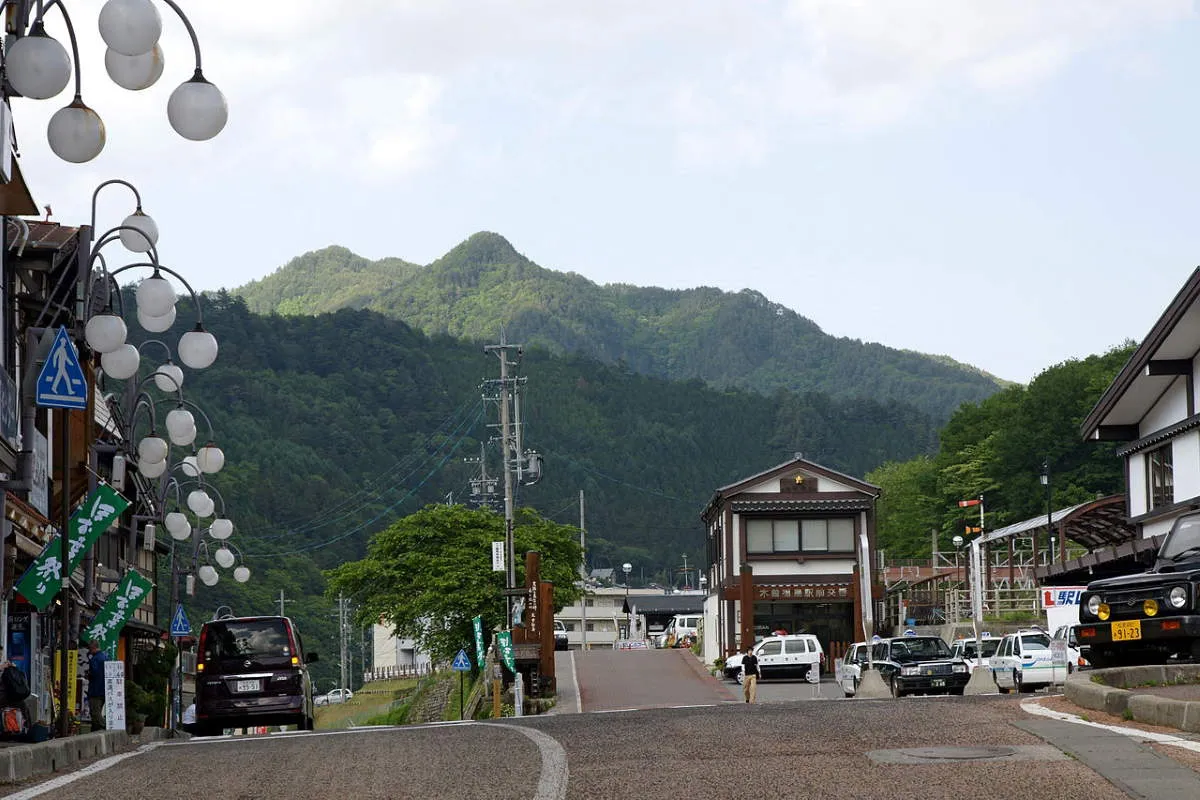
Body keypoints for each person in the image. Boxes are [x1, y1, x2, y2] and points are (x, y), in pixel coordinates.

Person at [86, 640, 107, 732]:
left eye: (90, 649)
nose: (89, 651)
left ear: (93, 648)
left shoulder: (94, 659)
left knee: (95, 713)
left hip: (95, 690)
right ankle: (95, 730)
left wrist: (88, 675)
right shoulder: (106, 657)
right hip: (105, 689)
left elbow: (94, 673)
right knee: (98, 711)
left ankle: (105, 726)